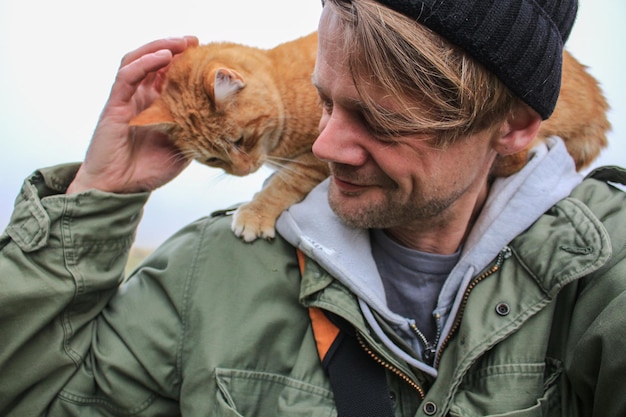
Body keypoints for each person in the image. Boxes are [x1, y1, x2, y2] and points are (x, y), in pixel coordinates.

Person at [1, 0, 625, 415]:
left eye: (380, 119)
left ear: (515, 125)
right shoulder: (204, 274)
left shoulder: (604, 266)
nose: (323, 148)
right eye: (324, 102)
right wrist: (99, 193)